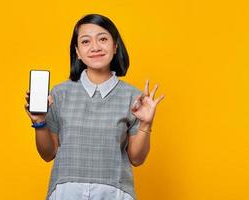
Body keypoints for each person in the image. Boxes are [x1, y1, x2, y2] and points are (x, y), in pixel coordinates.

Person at [25, 13, 165, 200]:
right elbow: (48, 153)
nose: (95, 47)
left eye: (103, 39)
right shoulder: (59, 93)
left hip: (114, 192)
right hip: (67, 192)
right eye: (85, 42)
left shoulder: (134, 97)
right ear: (77, 51)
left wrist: (146, 124)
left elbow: (137, 159)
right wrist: (39, 122)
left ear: (115, 46)